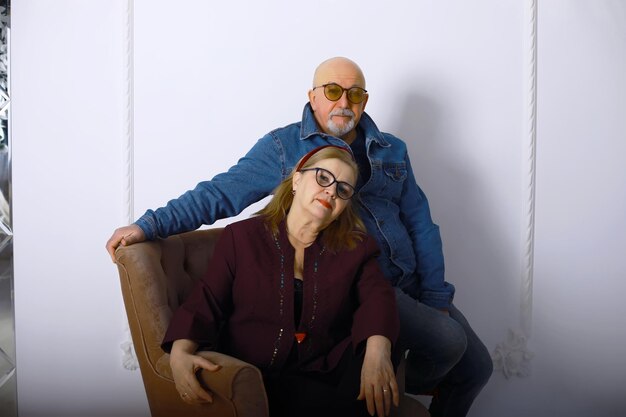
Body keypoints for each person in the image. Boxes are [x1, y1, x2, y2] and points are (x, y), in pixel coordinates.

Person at [107, 56, 493, 417]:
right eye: (332, 91)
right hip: (358, 281)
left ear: (364, 101)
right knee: (447, 341)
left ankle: (402, 375)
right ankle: (392, 360)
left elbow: (420, 223)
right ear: (312, 96)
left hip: (409, 279)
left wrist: (436, 295)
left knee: (477, 369)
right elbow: (219, 193)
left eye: (355, 94)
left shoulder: (392, 149)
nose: (344, 101)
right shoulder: (283, 147)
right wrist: (149, 225)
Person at [162, 145, 400, 417]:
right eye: (323, 178)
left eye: (343, 189)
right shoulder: (242, 238)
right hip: (259, 375)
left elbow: (377, 296)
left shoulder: (356, 247)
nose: (332, 191)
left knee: (385, 337)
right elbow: (206, 300)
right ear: (297, 179)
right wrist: (180, 352)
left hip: (323, 370)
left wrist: (378, 350)